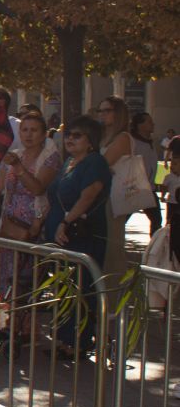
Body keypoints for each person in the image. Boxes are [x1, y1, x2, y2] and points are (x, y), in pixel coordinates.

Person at [45, 116, 113, 355]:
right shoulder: (70, 162)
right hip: (63, 236)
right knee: (66, 287)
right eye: (68, 134)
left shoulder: (95, 162)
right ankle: (65, 339)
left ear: (90, 140)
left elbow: (88, 196)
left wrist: (65, 222)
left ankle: (81, 341)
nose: (70, 139)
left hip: (83, 235)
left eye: (77, 135)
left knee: (83, 287)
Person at [0, 111, 60, 298]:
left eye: (34, 130)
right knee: (4, 277)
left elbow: (38, 189)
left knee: (24, 281)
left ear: (43, 134)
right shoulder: (14, 155)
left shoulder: (50, 157)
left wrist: (19, 168)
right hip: (8, 224)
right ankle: (3, 321)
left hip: (32, 227)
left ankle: (25, 323)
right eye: (24, 130)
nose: (28, 135)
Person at [95, 96, 134, 274]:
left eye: (107, 110)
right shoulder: (102, 136)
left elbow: (103, 163)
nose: (102, 114)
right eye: (100, 110)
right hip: (100, 195)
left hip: (114, 197)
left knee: (112, 245)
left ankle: (113, 295)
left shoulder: (123, 137)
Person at [132, 111, 160, 234]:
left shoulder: (150, 142)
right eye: (149, 122)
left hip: (149, 188)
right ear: (139, 125)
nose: (152, 124)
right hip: (135, 188)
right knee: (123, 216)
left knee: (156, 219)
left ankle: (154, 249)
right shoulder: (132, 142)